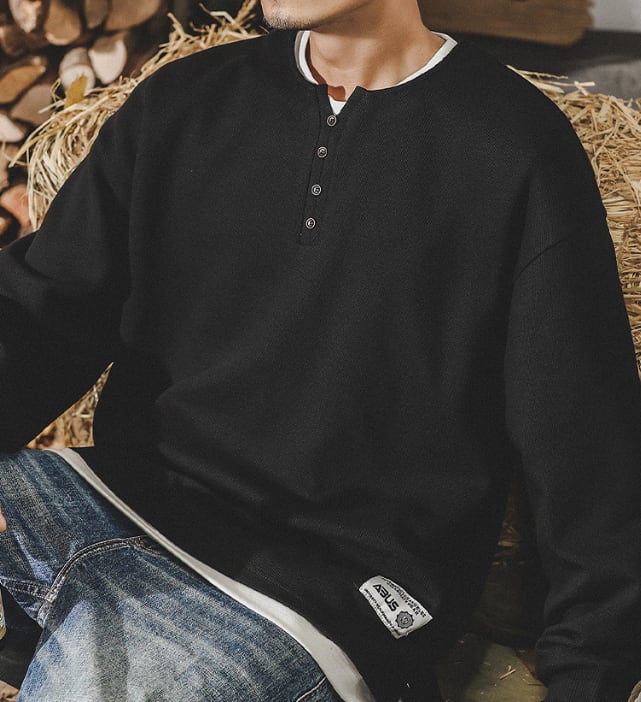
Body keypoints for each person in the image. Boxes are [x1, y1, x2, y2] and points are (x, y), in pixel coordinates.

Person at [0, 0, 640, 699]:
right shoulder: (184, 99)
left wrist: (588, 679)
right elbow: (41, 311)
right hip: (110, 502)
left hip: (315, 593)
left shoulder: (515, 146)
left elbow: (586, 445)